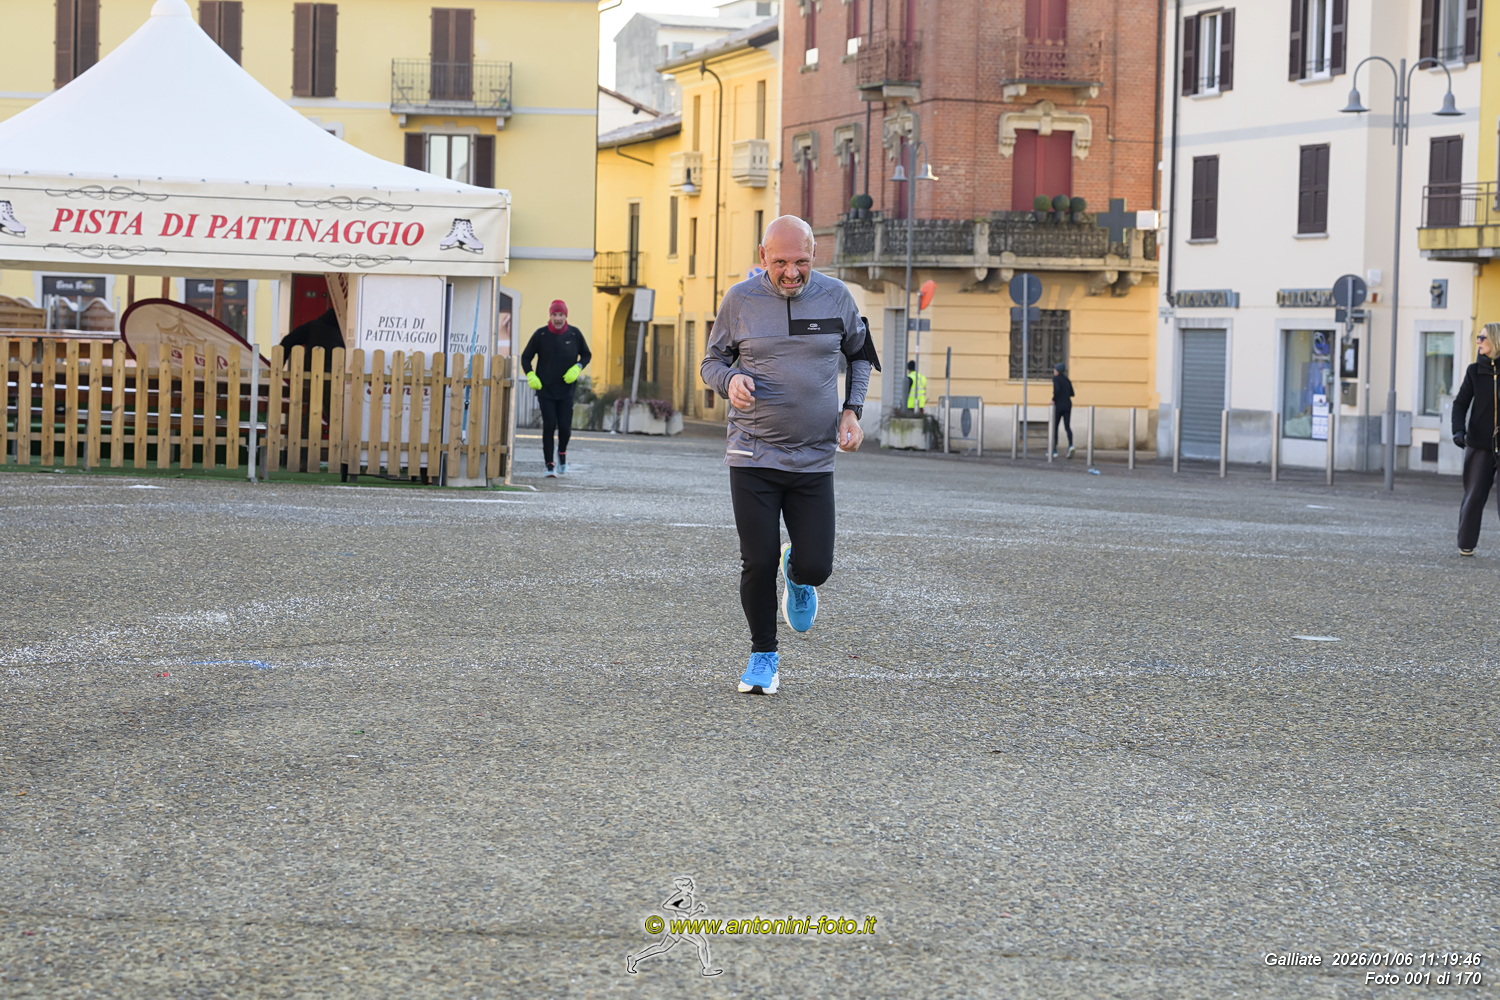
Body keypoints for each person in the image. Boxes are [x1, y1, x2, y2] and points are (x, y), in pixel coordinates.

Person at [701, 215, 879, 695]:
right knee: (756, 560)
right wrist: (730, 380)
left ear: (814, 254)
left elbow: (861, 354)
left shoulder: (837, 297)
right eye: (780, 262)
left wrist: (852, 411)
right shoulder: (740, 300)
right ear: (763, 256)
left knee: (818, 566)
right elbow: (711, 361)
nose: (791, 272)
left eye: (801, 261)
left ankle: (797, 573)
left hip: (814, 458)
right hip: (752, 453)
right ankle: (763, 656)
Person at [521, 300, 591, 477]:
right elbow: (526, 357)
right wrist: (531, 375)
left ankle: (562, 453)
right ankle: (549, 465)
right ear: (550, 316)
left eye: (561, 315)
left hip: (566, 389)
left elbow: (586, 355)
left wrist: (577, 368)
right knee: (549, 425)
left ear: (566, 316)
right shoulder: (541, 334)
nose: (558, 318)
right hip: (545, 389)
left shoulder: (574, 334)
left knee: (565, 427)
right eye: (554, 315)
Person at [1452, 322, 1500, 556]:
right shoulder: (1474, 371)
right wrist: (1458, 431)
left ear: (1496, 341)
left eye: (1483, 338)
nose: (1478, 341)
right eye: (1478, 337)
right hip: (1479, 444)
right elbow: (1460, 403)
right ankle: (1466, 543)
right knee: (1473, 495)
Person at [1051, 361, 1075, 459]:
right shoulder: (1067, 380)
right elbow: (1072, 393)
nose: (1054, 371)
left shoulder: (1056, 379)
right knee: (1067, 426)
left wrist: (1053, 400)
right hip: (1068, 404)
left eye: (1055, 369)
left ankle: (1054, 450)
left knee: (1055, 427)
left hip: (1059, 405)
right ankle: (1071, 445)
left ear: (1057, 371)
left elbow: (1056, 390)